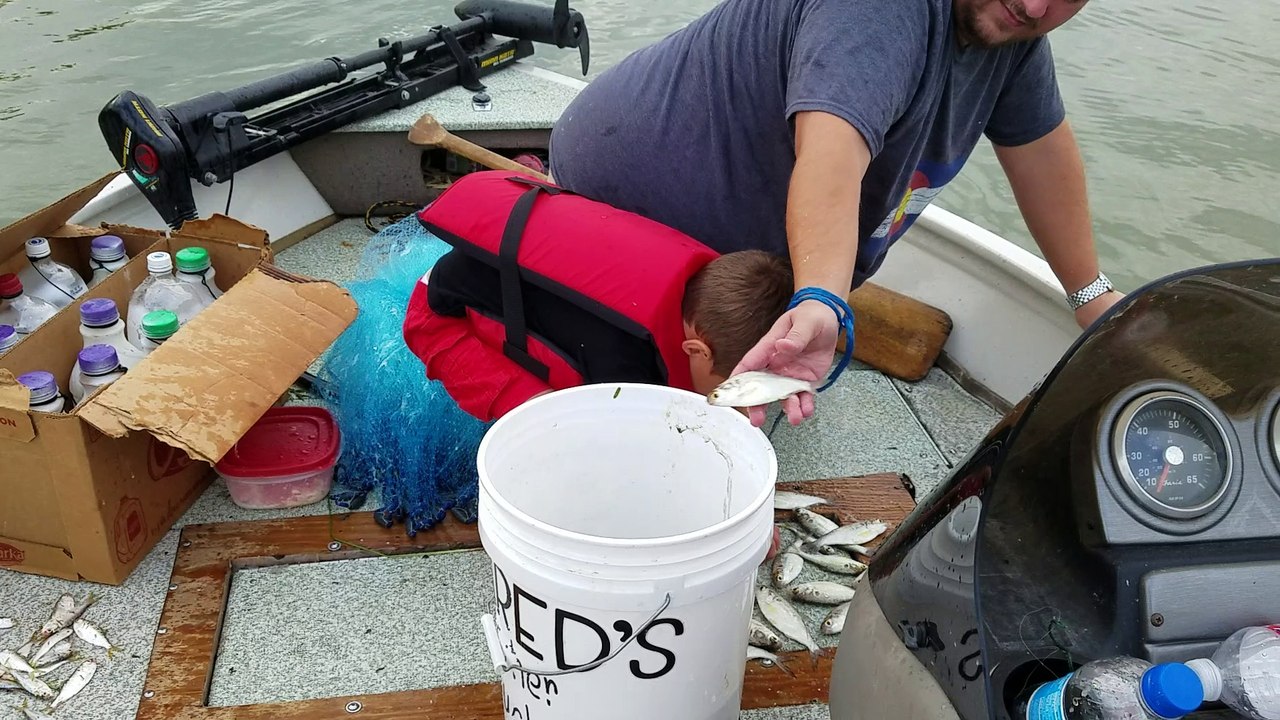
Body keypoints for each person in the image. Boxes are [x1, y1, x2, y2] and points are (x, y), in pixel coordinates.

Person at [548, 0, 1126, 428]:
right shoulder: (876, 12)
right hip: (623, 208)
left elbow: (1042, 150)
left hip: (745, 246)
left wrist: (1091, 296)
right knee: (655, 421)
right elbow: (833, 153)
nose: (1034, 5)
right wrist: (823, 297)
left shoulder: (1014, 29)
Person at [402, 171, 794, 422]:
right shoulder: (624, 363)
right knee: (557, 420)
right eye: (723, 389)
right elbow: (628, 450)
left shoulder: (700, 278)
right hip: (438, 316)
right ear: (697, 350)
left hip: (493, 264)